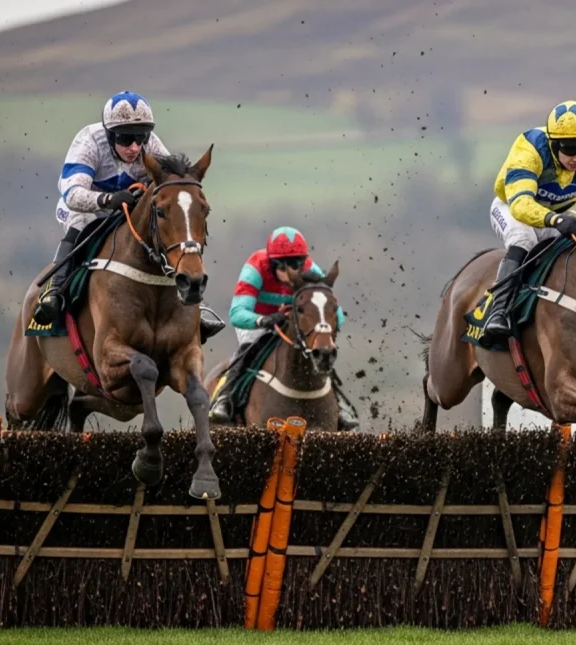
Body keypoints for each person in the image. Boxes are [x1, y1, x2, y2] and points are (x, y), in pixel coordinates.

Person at [32, 90, 224, 342]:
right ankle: (54, 292)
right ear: (110, 134)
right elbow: (73, 195)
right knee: (81, 223)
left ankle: (192, 304)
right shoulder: (88, 142)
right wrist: (108, 200)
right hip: (83, 207)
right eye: (125, 139)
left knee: (160, 233)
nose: (134, 147)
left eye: (140, 138)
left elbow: (170, 184)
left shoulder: (151, 144)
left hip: (126, 207)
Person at [478, 100, 576, 347]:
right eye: (570, 149)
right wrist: (555, 220)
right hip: (512, 207)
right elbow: (521, 205)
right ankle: (498, 312)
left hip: (555, 214)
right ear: (554, 144)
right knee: (524, 239)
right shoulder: (530, 148)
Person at [208, 226, 359, 430]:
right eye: (284, 265)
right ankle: (225, 399)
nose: (291, 271)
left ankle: (339, 406)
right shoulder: (255, 267)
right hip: (256, 320)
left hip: (292, 321)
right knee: (250, 348)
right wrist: (263, 320)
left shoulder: (310, 269)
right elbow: (237, 313)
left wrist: (321, 330)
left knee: (317, 350)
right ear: (271, 263)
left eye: (296, 264)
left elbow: (335, 314)